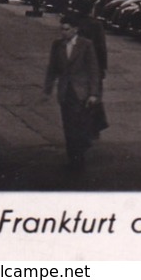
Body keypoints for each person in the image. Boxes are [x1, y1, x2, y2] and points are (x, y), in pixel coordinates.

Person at [44, 15, 102, 170]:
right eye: (61, 29)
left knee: (79, 125)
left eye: (66, 29)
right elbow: (52, 68)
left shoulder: (86, 45)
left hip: (81, 92)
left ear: (75, 30)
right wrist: (47, 89)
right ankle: (73, 159)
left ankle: (80, 155)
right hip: (65, 92)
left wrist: (93, 93)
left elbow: (93, 70)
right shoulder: (57, 45)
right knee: (68, 126)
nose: (63, 33)